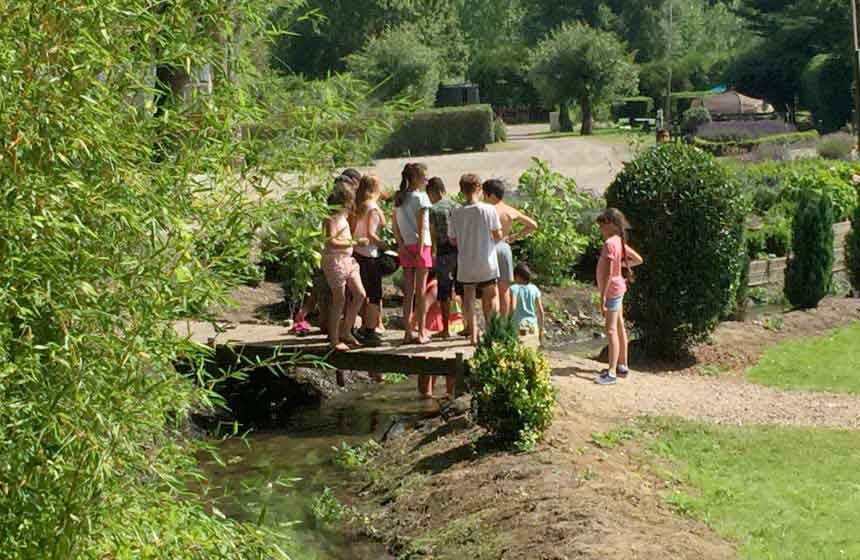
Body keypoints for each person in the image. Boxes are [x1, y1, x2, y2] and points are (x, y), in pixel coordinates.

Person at [449, 174, 503, 346]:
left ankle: (473, 335)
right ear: (479, 188)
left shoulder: (456, 211)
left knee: (469, 299)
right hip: (486, 261)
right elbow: (497, 235)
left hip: (466, 262)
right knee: (490, 298)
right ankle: (490, 332)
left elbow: (452, 239)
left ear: (462, 190)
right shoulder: (488, 210)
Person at [595, 208, 644, 385]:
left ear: (610, 224)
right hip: (619, 287)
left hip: (612, 290)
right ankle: (622, 365)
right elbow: (638, 259)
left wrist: (602, 298)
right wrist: (621, 264)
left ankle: (611, 372)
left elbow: (607, 274)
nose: (601, 230)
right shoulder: (619, 241)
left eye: (602, 226)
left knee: (610, 330)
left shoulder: (609, 244)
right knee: (619, 326)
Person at [321, 182, 368, 351]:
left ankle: (346, 330)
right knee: (339, 299)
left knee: (360, 294)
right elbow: (331, 241)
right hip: (334, 260)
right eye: (350, 200)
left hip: (348, 260)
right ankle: (334, 341)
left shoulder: (345, 215)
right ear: (343, 201)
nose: (352, 203)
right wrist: (354, 242)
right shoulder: (330, 218)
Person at [482, 179, 538, 318]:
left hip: (489, 248)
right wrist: (515, 236)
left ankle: (492, 325)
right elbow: (533, 225)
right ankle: (504, 323)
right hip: (504, 247)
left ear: (491, 195)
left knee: (492, 288)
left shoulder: (487, 210)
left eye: (484, 194)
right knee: (504, 289)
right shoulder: (509, 210)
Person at [392, 163, 433, 345]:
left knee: (408, 293)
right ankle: (422, 331)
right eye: (424, 177)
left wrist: (401, 245)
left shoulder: (399, 198)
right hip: (421, 246)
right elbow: (422, 226)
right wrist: (420, 248)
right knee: (421, 291)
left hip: (405, 246)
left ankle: (407, 333)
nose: (426, 180)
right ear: (415, 178)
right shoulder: (421, 198)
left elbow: (395, 226)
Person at [352, 175, 386, 347]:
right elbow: (371, 234)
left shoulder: (358, 206)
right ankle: (370, 329)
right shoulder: (372, 208)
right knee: (374, 295)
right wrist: (384, 244)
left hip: (357, 253)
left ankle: (363, 326)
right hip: (369, 255)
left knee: (362, 294)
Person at [427, 177, 458, 339]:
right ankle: (467, 327)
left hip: (443, 253)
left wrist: (433, 252)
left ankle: (445, 329)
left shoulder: (433, 210)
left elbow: (432, 234)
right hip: (459, 252)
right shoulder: (456, 206)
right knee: (463, 290)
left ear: (432, 192)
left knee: (444, 291)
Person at [510, 263, 545, 346]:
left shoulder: (514, 288)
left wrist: (507, 322)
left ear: (517, 276)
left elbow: (513, 307)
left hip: (518, 325)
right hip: (533, 324)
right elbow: (541, 311)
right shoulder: (535, 289)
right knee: (531, 350)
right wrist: (541, 329)